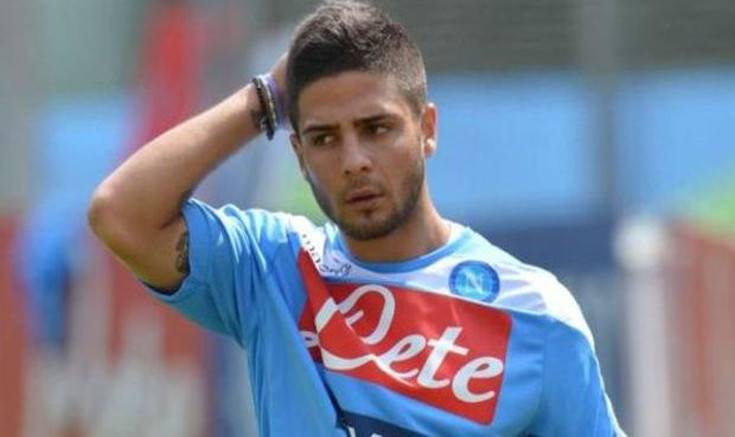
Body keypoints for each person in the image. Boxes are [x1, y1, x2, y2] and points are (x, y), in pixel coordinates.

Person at [88, 1, 626, 435]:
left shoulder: (535, 313)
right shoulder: (272, 268)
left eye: (376, 128)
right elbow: (121, 214)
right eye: (325, 138)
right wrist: (266, 98)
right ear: (300, 156)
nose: (354, 161)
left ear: (427, 129)